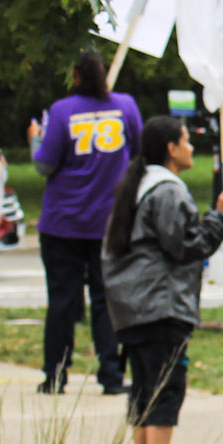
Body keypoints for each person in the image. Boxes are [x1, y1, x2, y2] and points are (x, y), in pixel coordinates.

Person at [103, 116, 223, 444]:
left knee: (144, 391)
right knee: (165, 391)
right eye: (185, 141)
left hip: (133, 308)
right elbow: (185, 245)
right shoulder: (167, 191)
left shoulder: (137, 187)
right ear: (171, 149)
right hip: (160, 305)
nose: (191, 147)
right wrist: (221, 217)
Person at [31, 50, 140, 396]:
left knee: (62, 301)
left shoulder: (62, 111)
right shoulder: (125, 107)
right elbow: (138, 150)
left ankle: (56, 374)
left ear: (76, 75)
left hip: (62, 222)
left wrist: (35, 139)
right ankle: (111, 375)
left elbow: (45, 166)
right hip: (108, 221)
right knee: (106, 301)